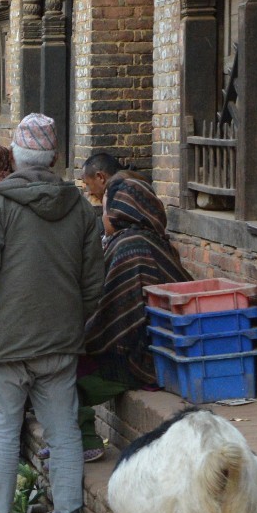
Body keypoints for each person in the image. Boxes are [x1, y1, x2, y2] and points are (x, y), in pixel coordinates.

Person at [0, 113, 105, 513]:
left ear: (17, 156)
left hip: (4, 344)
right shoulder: (78, 207)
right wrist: (73, 322)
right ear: (54, 157)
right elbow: (94, 283)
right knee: (63, 432)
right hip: (59, 343)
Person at [79, 176, 193, 456]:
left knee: (62, 376)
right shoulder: (155, 242)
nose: (102, 215)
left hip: (139, 359)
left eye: (105, 209)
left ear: (120, 213)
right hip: (157, 349)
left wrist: (78, 339)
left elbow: (110, 314)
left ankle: (85, 443)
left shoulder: (129, 248)